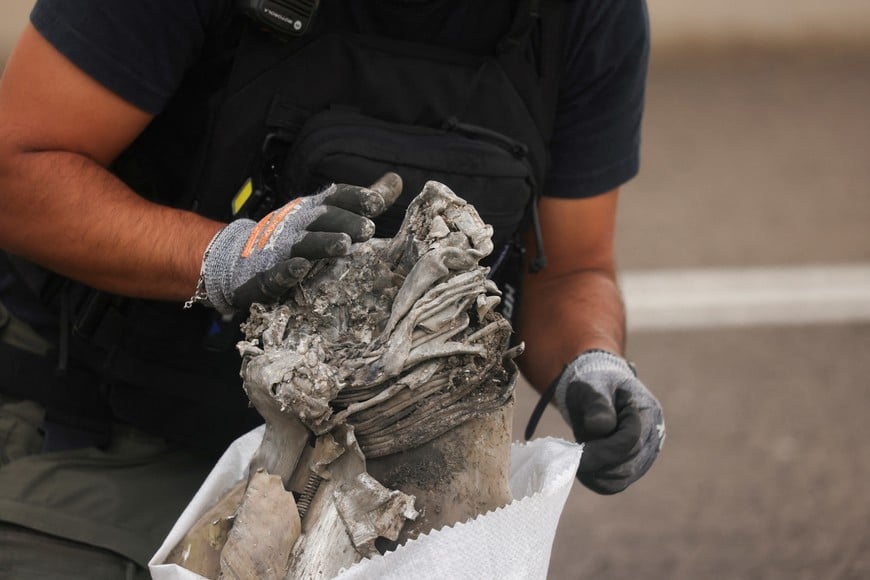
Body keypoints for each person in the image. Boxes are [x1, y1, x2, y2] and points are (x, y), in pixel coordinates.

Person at [0, 0, 665, 577]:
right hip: (117, 437)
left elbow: (571, 270)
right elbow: (18, 170)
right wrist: (222, 257)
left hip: (394, 484)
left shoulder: (580, 15)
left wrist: (591, 361)